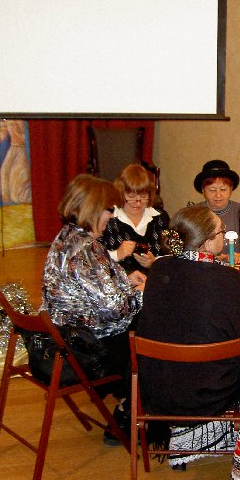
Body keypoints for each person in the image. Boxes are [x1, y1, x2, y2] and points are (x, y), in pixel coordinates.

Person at [137, 205, 240, 480]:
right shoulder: (228, 279)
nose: (224, 235)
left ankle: (193, 438)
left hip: (161, 386)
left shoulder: (159, 269)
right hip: (212, 390)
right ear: (207, 242)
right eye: (221, 231)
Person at [40, 174, 146, 444]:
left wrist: (125, 281)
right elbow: (116, 309)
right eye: (109, 209)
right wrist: (143, 292)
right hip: (90, 350)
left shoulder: (67, 237)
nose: (112, 215)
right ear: (92, 209)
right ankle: (128, 413)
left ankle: (130, 406)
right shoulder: (86, 248)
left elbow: (89, 290)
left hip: (67, 339)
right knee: (157, 338)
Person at [99, 164, 169, 274]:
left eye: (143, 196)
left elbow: (173, 255)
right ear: (121, 194)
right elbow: (91, 260)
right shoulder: (108, 219)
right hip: (117, 282)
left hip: (153, 280)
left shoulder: (160, 218)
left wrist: (154, 262)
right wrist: (116, 254)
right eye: (131, 196)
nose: (138, 203)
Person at [193, 159, 240, 264]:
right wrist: (210, 258)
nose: (218, 195)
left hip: (234, 269)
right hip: (202, 269)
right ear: (203, 191)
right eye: (212, 190)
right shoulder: (193, 213)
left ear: (231, 189)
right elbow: (185, 252)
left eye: (223, 189)